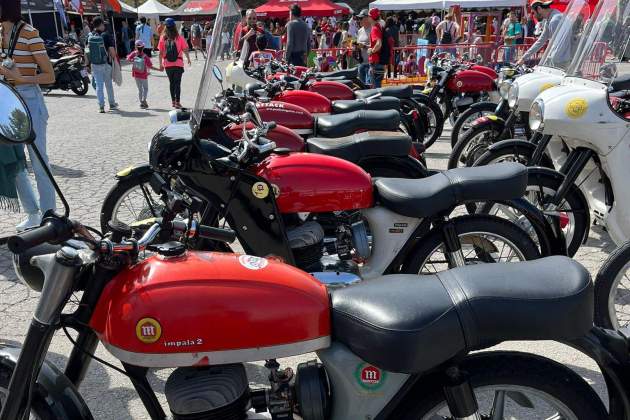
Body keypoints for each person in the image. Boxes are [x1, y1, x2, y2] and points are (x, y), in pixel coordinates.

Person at [0, 0, 57, 230]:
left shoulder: (30, 33)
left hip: (28, 98)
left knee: (39, 160)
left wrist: (23, 78)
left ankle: (48, 215)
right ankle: (32, 212)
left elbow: (49, 76)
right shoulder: (0, 33)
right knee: (12, 161)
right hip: (6, 98)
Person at [518, 0, 565, 65]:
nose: (533, 16)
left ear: (539, 9)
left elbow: (558, 45)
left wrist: (548, 61)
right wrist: (523, 58)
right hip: (560, 59)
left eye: (533, 12)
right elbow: (540, 41)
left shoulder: (554, 20)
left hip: (561, 61)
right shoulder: (550, 19)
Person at [158, 17, 190, 109]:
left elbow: (160, 53)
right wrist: (188, 58)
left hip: (167, 64)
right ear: (174, 26)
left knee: (171, 83)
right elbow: (185, 49)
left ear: (165, 27)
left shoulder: (162, 38)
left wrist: (160, 64)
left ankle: (173, 101)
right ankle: (178, 102)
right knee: (177, 83)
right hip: (178, 63)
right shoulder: (179, 37)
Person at [88, 17, 118, 113]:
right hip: (105, 63)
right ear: (100, 24)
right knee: (108, 85)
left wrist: (88, 64)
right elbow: (112, 51)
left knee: (99, 86)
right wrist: (114, 59)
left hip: (95, 64)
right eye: (103, 24)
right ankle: (112, 104)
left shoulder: (90, 36)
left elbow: (86, 51)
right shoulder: (105, 35)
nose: (104, 26)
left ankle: (101, 106)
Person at [127, 40, 157, 109]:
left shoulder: (133, 54)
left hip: (136, 74)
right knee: (145, 88)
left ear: (135, 46)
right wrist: (159, 69)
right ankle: (144, 100)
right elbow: (150, 66)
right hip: (143, 75)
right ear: (143, 47)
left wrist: (133, 60)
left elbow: (128, 58)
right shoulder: (145, 56)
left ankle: (141, 102)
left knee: (140, 89)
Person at [367, 8, 387, 88]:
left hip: (375, 61)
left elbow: (379, 44)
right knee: (378, 86)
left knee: (375, 88)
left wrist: (371, 50)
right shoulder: (379, 26)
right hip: (379, 61)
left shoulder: (374, 28)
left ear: (371, 17)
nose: (368, 18)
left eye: (368, 16)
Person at [356, 9, 371, 86]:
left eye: (361, 18)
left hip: (370, 63)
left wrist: (364, 46)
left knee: (369, 86)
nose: (359, 20)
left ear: (367, 18)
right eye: (359, 18)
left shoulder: (373, 30)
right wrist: (355, 46)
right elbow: (359, 44)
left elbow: (376, 46)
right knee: (361, 86)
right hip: (361, 63)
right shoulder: (360, 31)